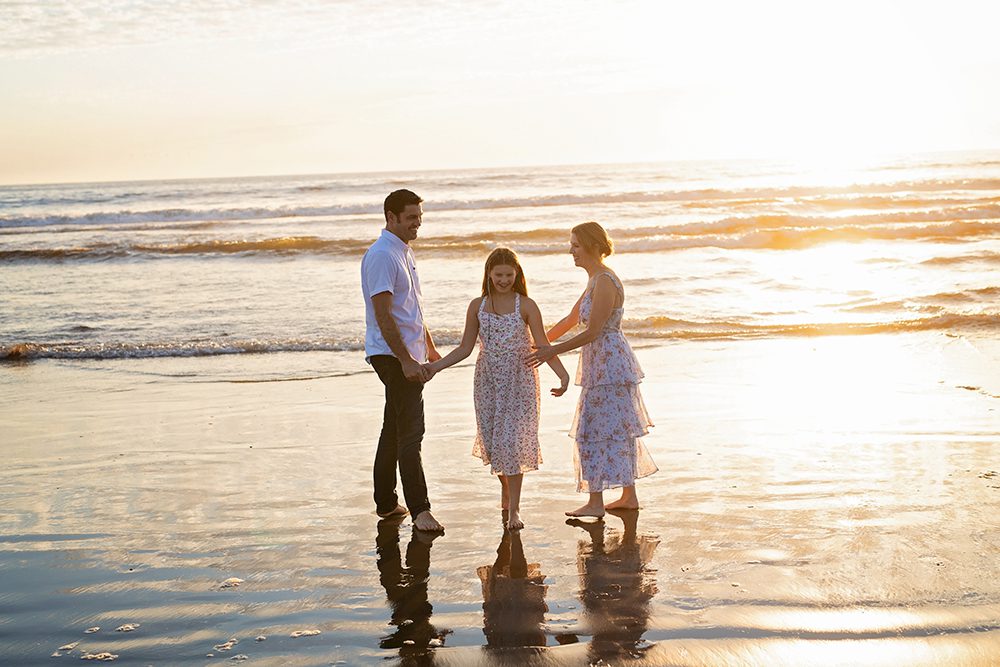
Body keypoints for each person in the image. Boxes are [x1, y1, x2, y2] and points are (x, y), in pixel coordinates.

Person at [427, 247, 569, 530]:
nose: (503, 279)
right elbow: (465, 348)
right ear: (489, 275)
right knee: (494, 444)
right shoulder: (477, 306)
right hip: (488, 381)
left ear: (517, 275)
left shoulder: (526, 305)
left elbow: (542, 346)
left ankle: (514, 510)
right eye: (498, 274)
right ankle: (507, 490)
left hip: (520, 380)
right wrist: (435, 367)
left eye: (508, 274)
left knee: (513, 444)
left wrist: (563, 376)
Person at [527, 222, 657, 518]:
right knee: (611, 428)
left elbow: (594, 330)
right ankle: (627, 496)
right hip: (601, 362)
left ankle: (597, 502)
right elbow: (571, 319)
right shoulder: (594, 280)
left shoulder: (605, 281)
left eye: (575, 245)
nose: (570, 250)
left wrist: (552, 351)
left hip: (609, 364)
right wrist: (536, 341)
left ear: (592, 246)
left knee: (594, 429)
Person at [361, 189, 444, 532]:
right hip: (392, 355)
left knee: (393, 429)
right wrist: (408, 360)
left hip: (405, 352)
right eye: (411, 218)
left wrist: (430, 347)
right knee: (412, 432)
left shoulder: (403, 251)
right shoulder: (383, 255)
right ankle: (420, 510)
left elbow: (411, 310)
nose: (417, 225)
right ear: (391, 217)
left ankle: (385, 502)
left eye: (419, 219)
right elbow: (384, 315)